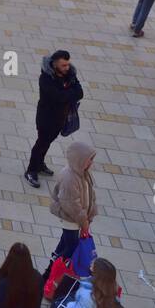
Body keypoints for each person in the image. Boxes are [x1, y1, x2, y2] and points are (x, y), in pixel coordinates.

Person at [25, 50, 84, 187]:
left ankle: (39, 164)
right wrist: (70, 94)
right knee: (41, 142)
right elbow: (57, 97)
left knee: (48, 142)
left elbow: (80, 92)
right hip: (46, 117)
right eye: (63, 65)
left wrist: (67, 94)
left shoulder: (70, 74)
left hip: (61, 118)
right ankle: (31, 170)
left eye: (68, 65)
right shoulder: (45, 79)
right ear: (55, 64)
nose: (67, 68)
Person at [46, 139, 98, 279]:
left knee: (64, 245)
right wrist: (85, 223)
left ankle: (50, 273)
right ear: (79, 160)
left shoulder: (83, 173)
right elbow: (72, 205)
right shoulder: (70, 178)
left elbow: (90, 195)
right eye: (89, 160)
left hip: (76, 221)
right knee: (70, 249)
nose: (91, 163)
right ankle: (52, 275)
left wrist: (90, 214)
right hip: (71, 220)